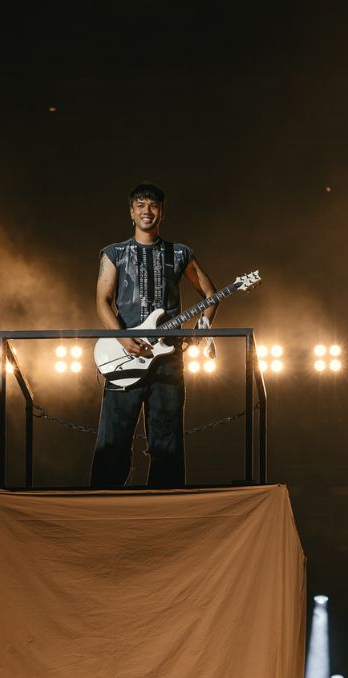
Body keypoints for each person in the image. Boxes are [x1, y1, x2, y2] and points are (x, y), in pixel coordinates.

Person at [90, 182, 218, 487]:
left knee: (167, 440)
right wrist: (122, 337)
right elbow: (102, 301)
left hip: (168, 360)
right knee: (114, 439)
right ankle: (102, 503)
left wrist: (202, 327)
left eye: (154, 206)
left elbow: (211, 295)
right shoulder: (114, 253)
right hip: (125, 354)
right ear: (131, 212)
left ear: (162, 212)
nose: (147, 211)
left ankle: (166, 503)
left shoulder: (180, 252)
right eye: (141, 205)